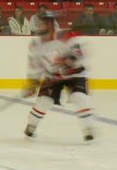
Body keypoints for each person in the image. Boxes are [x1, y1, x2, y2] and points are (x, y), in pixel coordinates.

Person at [24, 12, 96, 142]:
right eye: (38, 24)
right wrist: (32, 82)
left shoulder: (64, 35)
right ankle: (31, 125)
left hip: (74, 74)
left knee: (78, 97)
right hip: (53, 77)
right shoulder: (35, 44)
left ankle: (88, 129)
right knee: (44, 100)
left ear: (50, 24)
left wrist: (70, 60)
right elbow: (35, 65)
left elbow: (80, 53)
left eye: (41, 24)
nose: (39, 27)